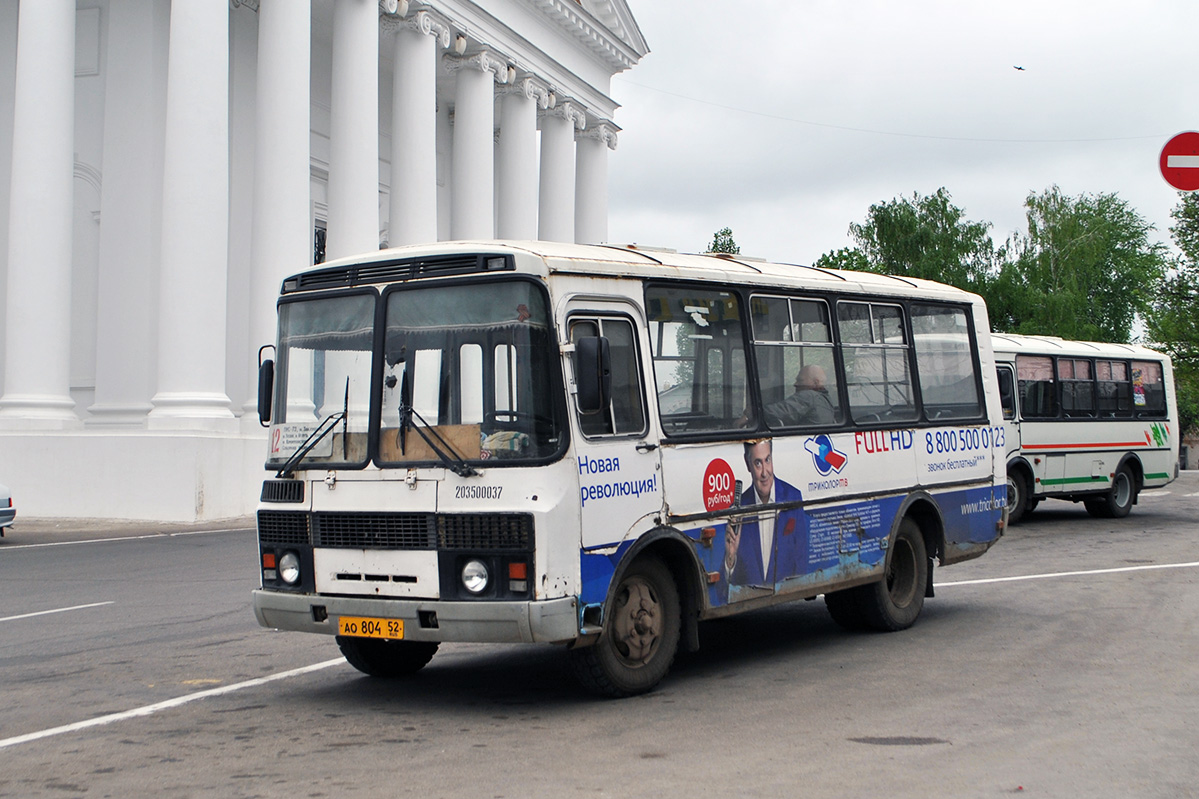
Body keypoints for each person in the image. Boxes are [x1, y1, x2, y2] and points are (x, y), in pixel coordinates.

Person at [719, 439, 807, 601]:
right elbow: (723, 591)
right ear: (748, 465)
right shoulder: (739, 510)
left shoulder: (793, 497)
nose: (765, 472)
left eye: (767, 460)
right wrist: (730, 558)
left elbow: (801, 556)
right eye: (757, 463)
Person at [762, 363, 836, 427]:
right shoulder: (825, 399)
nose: (795, 384)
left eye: (800, 380)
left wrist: (753, 411)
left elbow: (776, 412)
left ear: (815, 382)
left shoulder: (809, 396)